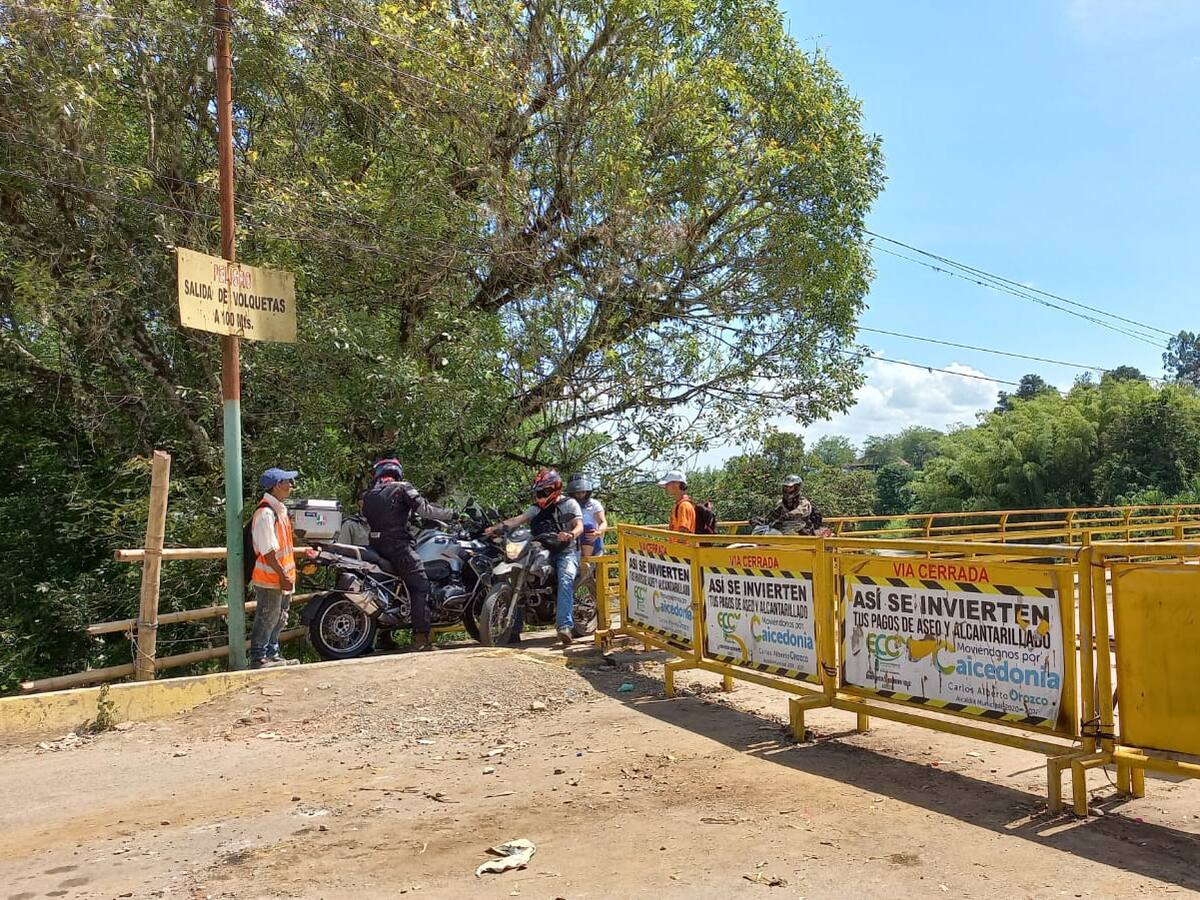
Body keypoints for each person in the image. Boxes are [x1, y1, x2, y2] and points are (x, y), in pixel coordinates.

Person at [362, 457, 456, 652]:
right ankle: (421, 639)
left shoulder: (370, 494)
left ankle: (384, 637)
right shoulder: (402, 487)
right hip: (398, 547)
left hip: (375, 545)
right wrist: (452, 514)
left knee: (392, 590)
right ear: (397, 472)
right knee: (420, 586)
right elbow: (425, 510)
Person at [486, 469, 584, 648]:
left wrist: (570, 534)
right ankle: (513, 630)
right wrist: (496, 527)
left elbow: (579, 526)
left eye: (543, 492)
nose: (540, 496)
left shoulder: (570, 504)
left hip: (566, 551)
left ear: (555, 489)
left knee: (566, 579)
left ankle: (564, 626)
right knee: (518, 577)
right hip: (539, 550)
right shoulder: (536, 508)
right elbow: (518, 519)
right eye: (538, 492)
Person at [250, 467, 301, 669]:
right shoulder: (265, 514)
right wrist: (282, 575)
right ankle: (259, 657)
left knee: (280, 617)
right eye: (287, 482)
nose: (291, 486)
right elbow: (268, 551)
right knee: (268, 616)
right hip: (271, 577)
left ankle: (272, 654)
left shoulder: (279, 511)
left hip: (280, 576)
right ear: (277, 485)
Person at [568, 473, 607, 561]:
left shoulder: (594, 504)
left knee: (587, 526)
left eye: (583, 492)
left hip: (592, 540)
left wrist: (598, 532)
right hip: (573, 541)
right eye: (577, 493)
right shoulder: (568, 505)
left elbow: (603, 522)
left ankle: (585, 562)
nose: (580, 495)